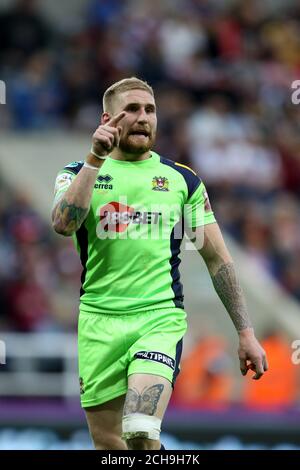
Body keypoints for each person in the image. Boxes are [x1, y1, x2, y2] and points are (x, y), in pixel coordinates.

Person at [52, 77, 268, 450]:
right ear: (108, 118)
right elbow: (63, 224)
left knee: (139, 428)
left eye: (150, 110)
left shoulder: (180, 180)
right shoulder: (76, 173)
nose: (142, 118)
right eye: (132, 109)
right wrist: (95, 158)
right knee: (108, 443)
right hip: (98, 320)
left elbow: (217, 259)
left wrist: (245, 332)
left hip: (158, 317)